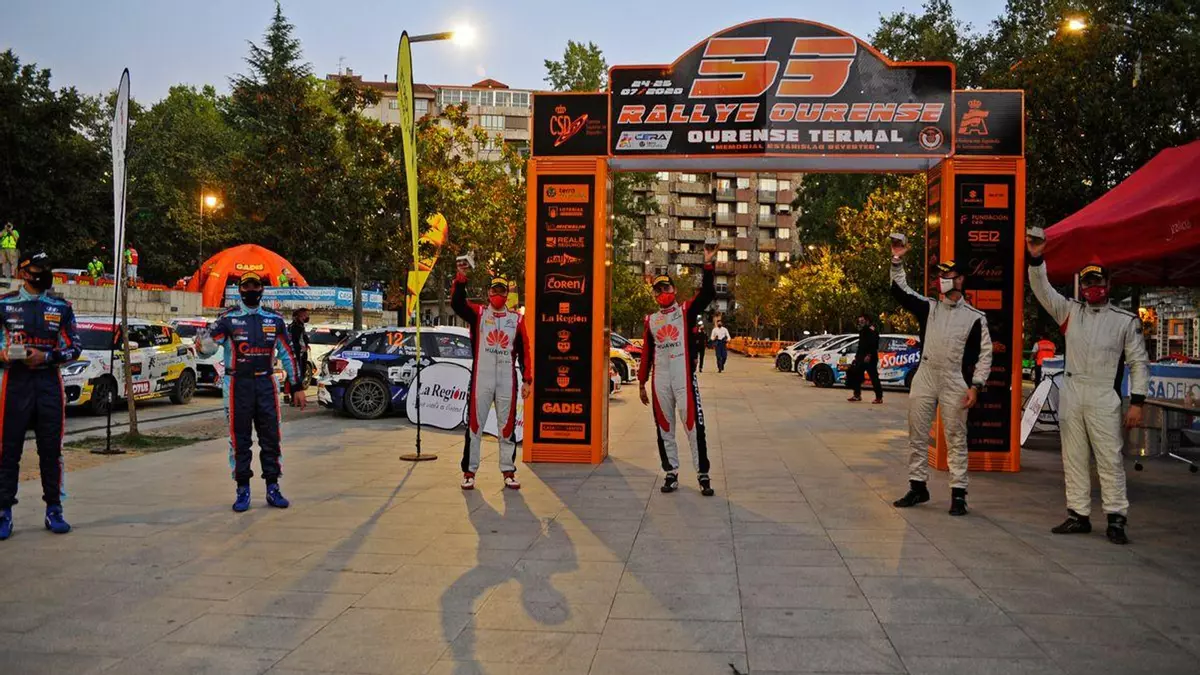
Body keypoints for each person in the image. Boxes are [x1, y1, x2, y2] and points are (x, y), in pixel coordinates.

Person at [1027, 237, 1148, 545]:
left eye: (1098, 280)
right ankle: (1078, 514)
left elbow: (1138, 362)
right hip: (1073, 392)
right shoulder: (1070, 312)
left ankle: (1116, 518)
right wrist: (1036, 260)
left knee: (1109, 459)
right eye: (1088, 281)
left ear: (1109, 284)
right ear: (1081, 285)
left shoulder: (1125, 321)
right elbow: (1042, 290)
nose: (1093, 286)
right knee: (1073, 457)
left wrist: (1137, 402)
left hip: (1104, 395)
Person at [890, 239, 992, 516]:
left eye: (947, 275)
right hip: (925, 374)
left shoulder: (975, 317)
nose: (941, 280)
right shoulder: (929, 307)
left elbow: (985, 354)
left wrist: (976, 385)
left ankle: (959, 494)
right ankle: (917, 487)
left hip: (954, 379)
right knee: (917, 434)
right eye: (940, 275)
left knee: (956, 437)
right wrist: (897, 261)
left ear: (960, 280)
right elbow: (901, 291)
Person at [197, 272, 305, 512]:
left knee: (271, 437)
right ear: (240, 290)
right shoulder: (228, 319)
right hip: (237, 385)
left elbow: (288, 354)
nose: (251, 289)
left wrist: (297, 386)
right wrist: (202, 342)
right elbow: (206, 348)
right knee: (239, 439)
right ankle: (242, 489)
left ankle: (273, 487)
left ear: (262, 289)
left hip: (266, 384)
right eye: (247, 286)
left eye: (256, 285)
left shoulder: (274, 320)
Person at [0, 251, 81, 539]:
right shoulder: (4, 304)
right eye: (38, 269)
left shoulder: (61, 307)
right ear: (23, 273)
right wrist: (4, 354)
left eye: (47, 268)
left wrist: (46, 356)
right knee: (8, 450)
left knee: (51, 450)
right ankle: (3, 511)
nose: (44, 274)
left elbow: (75, 348)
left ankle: (54, 509)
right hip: (15, 383)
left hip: (49, 384)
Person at [639, 243, 717, 496]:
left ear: (674, 290)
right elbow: (646, 353)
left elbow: (707, 294)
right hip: (660, 380)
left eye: (666, 288)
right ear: (654, 294)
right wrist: (641, 382)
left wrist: (708, 263)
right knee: (664, 426)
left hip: (683, 377)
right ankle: (671, 472)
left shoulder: (685, 312)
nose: (663, 292)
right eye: (658, 289)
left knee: (693, 425)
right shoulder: (651, 320)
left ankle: (703, 474)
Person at [452, 261, 531, 490]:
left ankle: (508, 471)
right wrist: (461, 278)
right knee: (475, 426)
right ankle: (469, 472)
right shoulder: (478, 313)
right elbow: (457, 304)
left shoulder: (516, 319)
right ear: (488, 292)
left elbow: (525, 351)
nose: (497, 294)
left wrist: (527, 380)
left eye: (501, 290)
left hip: (507, 380)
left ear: (507, 294)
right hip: (481, 379)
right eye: (494, 289)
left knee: (507, 427)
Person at [848, 313, 883, 404]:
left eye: (862, 321)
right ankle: (857, 395)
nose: (860, 323)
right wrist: (857, 357)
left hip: (870, 358)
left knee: (873, 377)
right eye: (859, 321)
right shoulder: (862, 330)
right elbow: (861, 345)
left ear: (867, 321)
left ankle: (879, 397)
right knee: (855, 374)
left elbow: (874, 344)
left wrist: (869, 355)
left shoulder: (872, 330)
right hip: (861, 357)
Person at [289, 307, 311, 390]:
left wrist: (306, 345)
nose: (306, 317)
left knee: (301, 372)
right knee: (297, 374)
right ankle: (295, 392)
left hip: (301, 353)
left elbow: (302, 338)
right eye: (304, 315)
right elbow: (294, 341)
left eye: (307, 315)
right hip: (298, 354)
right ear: (297, 316)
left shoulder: (300, 326)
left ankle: (295, 391)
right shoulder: (294, 326)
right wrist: (301, 347)